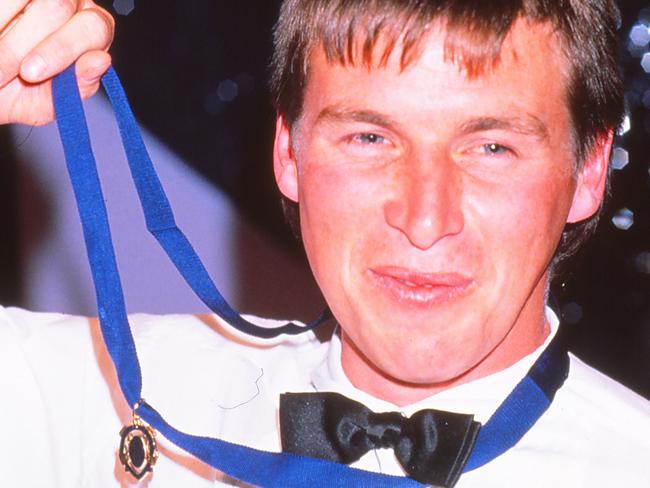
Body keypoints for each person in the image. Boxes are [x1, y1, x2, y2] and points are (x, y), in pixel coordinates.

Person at [1, 0, 648, 487]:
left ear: (589, 171)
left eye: (491, 148)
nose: (425, 220)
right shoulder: (99, 395)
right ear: (288, 153)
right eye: (370, 138)